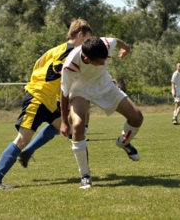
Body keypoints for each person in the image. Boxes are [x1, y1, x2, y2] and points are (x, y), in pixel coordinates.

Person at [0, 19, 93, 189]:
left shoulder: (55, 50)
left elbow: (39, 66)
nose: (88, 44)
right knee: (22, 139)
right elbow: (60, 73)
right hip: (38, 98)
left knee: (62, 126)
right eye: (87, 40)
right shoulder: (70, 53)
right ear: (80, 35)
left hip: (49, 100)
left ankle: (28, 152)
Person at [60, 36, 143, 189]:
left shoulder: (105, 44)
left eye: (105, 59)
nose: (103, 63)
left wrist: (127, 48)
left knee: (137, 117)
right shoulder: (70, 65)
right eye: (99, 61)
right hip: (81, 90)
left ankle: (124, 142)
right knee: (78, 127)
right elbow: (64, 93)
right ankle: (85, 175)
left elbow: (117, 41)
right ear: (86, 58)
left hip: (105, 86)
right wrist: (64, 122)